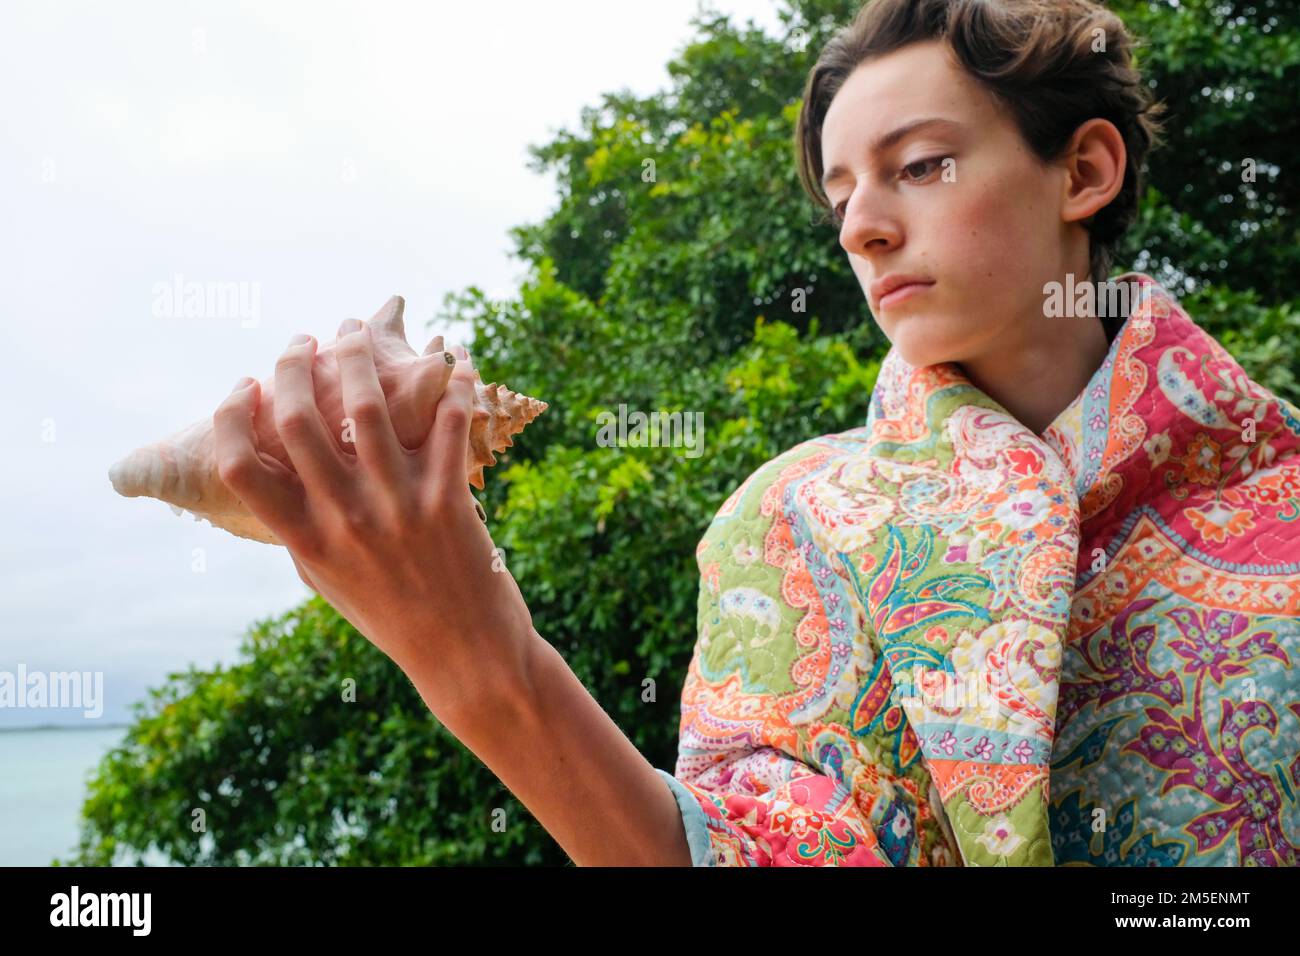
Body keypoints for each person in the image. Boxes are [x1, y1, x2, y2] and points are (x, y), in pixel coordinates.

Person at [212, 0, 1300, 866]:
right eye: (842, 195)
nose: (863, 226)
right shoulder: (792, 521)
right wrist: (474, 659)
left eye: (921, 165)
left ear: (1084, 171)